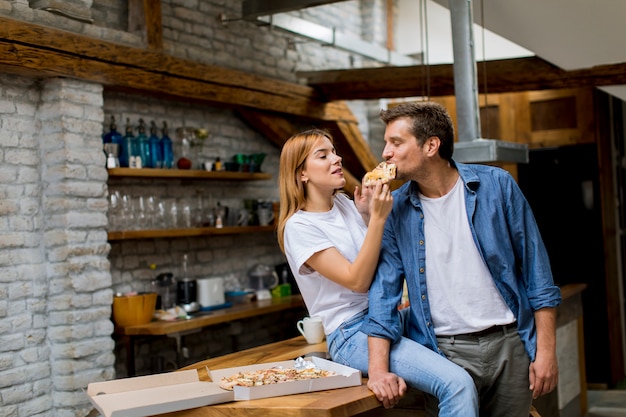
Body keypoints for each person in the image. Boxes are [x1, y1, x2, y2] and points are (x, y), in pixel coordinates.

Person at [360, 101, 562, 417]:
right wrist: (378, 370)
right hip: (443, 354)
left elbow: (538, 273)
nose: (385, 152)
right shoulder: (393, 208)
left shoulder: (497, 186)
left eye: (396, 142)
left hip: (510, 345)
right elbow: (383, 294)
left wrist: (546, 352)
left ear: (431, 145)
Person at [277, 128, 478, 416]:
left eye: (334, 151)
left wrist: (367, 215)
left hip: (386, 316)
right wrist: (378, 220)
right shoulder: (299, 228)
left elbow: (378, 259)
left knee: (454, 316)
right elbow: (357, 281)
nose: (337, 158)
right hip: (351, 333)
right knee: (457, 384)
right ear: (301, 174)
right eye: (323, 155)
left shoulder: (346, 205)